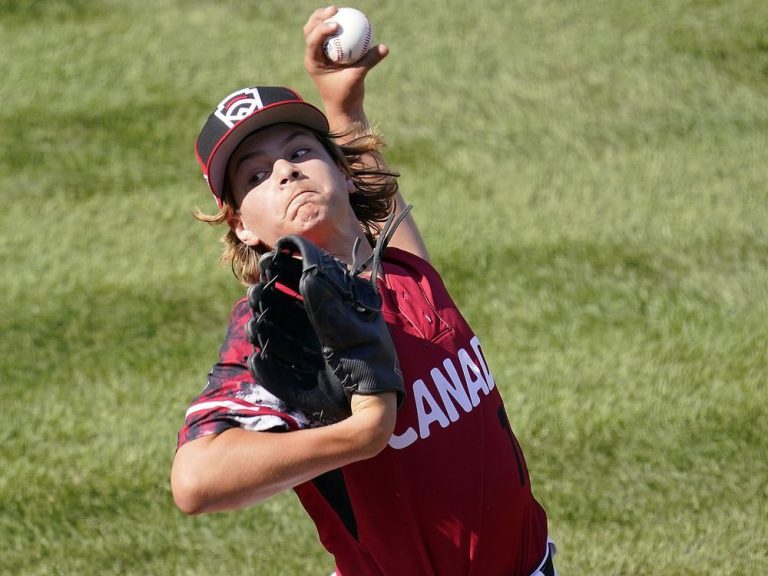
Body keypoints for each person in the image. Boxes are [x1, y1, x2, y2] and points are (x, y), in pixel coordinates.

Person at [171, 7, 557, 576]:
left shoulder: (403, 269)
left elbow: (380, 227)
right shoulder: (285, 321)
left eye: (301, 152)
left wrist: (345, 109)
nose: (283, 172)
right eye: (254, 176)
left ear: (344, 170)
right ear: (243, 227)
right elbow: (195, 481)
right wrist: (359, 436)